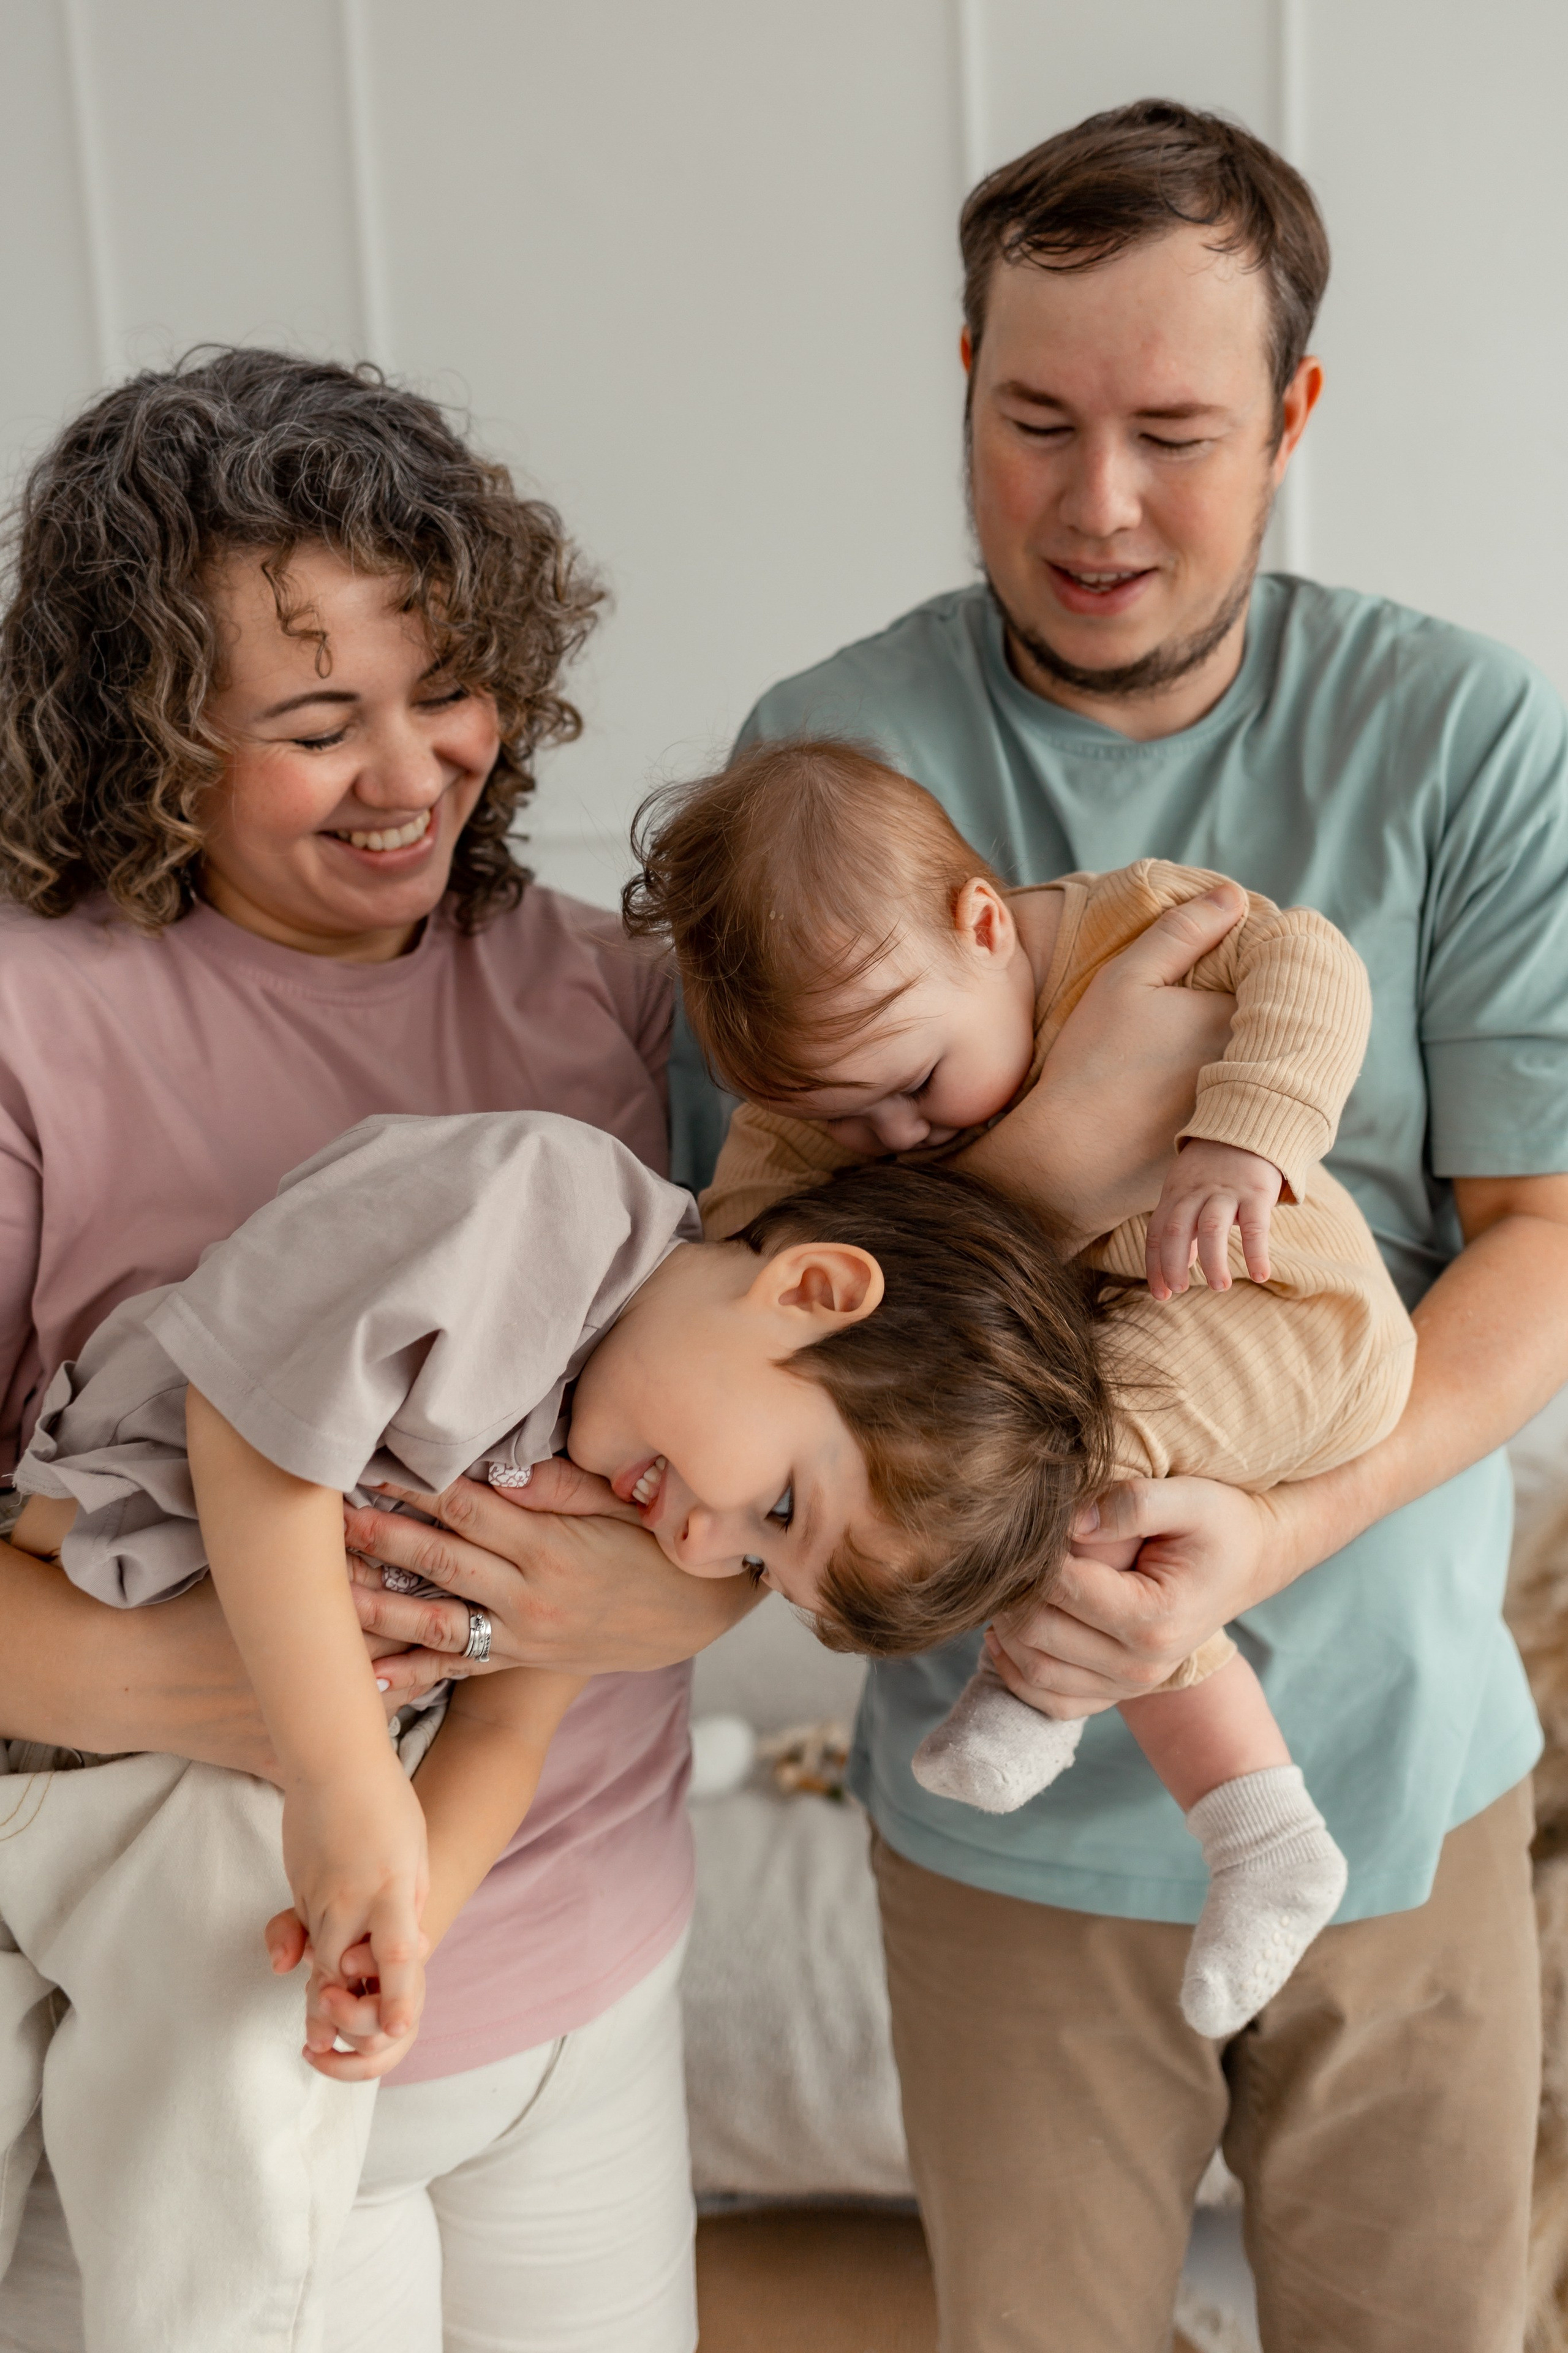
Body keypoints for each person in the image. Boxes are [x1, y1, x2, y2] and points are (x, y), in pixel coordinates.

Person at [719, 100, 1568, 2353]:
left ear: (1293, 418)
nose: (1098, 507)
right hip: (998, 1834)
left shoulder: (1462, 735)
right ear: (964, 385)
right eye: (1037, 422)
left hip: (1402, 1778)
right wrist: (1059, 1161)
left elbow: (1545, 1238)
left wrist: (1273, 1540)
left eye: (1177, 433)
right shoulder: (823, 769)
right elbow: (749, 1295)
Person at [0, 349, 760, 2353]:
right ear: (143, 734)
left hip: (584, 1981)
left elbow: (791, 1389)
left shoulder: (609, 996)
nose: (415, 773)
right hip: (208, 2014)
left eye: (450, 690)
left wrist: (672, 1598)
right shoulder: (35, 1030)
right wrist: (255, 1683)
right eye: (318, 723)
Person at [11, 1108, 1111, 2140]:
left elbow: (503, 1733)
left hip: (197, 1800)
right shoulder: (536, 1212)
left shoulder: (624, 1482)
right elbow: (256, 1431)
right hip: (81, 1653)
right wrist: (343, 1789)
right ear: (810, 1288)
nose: (703, 1551)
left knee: (230, 2136)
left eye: (758, 1569)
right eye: (778, 1508)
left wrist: (395, 1916)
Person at [627, 736, 1417, 2035]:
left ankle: (1073, 1708)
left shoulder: (1134, 924)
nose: (892, 1144)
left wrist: (1241, 1132)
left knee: (1048, 1469)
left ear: (985, 924)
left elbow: (1309, 964)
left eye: (914, 1086)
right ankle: (1254, 1825)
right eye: (839, 1123)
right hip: (1133, 1345)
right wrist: (1018, 1172)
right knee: (1020, 1476)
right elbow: (763, 1260)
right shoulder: (823, 1069)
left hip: (1288, 1316)